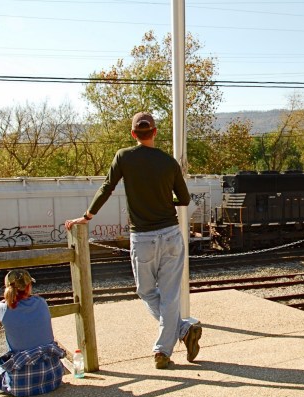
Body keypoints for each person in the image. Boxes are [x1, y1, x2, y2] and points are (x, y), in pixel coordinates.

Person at [64, 112, 201, 369]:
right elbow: (183, 200)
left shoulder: (123, 157)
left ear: (133, 134)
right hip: (171, 235)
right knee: (171, 296)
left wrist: (87, 216)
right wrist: (164, 202)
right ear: (155, 132)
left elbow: (107, 187)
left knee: (146, 292)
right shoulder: (169, 162)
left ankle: (164, 348)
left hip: (143, 239)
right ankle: (182, 330)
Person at [0, 269, 65, 397]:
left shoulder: (2, 308)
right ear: (29, 286)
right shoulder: (42, 303)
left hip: (22, 385)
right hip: (54, 378)